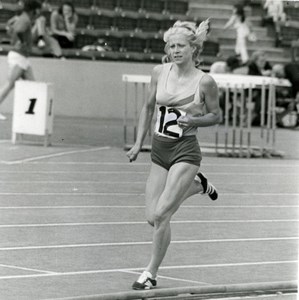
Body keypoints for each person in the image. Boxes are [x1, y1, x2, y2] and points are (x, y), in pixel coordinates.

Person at [126, 19, 220, 290]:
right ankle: (198, 185)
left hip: (185, 152)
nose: (175, 50)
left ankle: (150, 273)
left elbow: (215, 115)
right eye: (171, 45)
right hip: (159, 150)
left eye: (181, 45)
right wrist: (137, 143)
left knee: (162, 213)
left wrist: (195, 122)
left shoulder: (205, 81)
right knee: (152, 216)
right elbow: (147, 108)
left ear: (193, 49)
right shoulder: (159, 72)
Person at [0, 0, 42, 121]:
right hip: (18, 56)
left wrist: (18, 39)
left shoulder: (22, 18)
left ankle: (32, 112)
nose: (39, 13)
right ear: (34, 9)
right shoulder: (26, 19)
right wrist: (22, 41)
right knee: (10, 83)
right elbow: (18, 31)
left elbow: (10, 28)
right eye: (38, 10)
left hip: (23, 57)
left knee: (33, 85)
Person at [272, 63, 299, 128]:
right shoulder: (289, 71)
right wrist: (293, 99)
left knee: (296, 104)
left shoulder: (289, 67)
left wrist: (296, 96)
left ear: (281, 70)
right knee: (293, 105)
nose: (280, 77)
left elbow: (297, 80)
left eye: (278, 74)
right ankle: (278, 119)